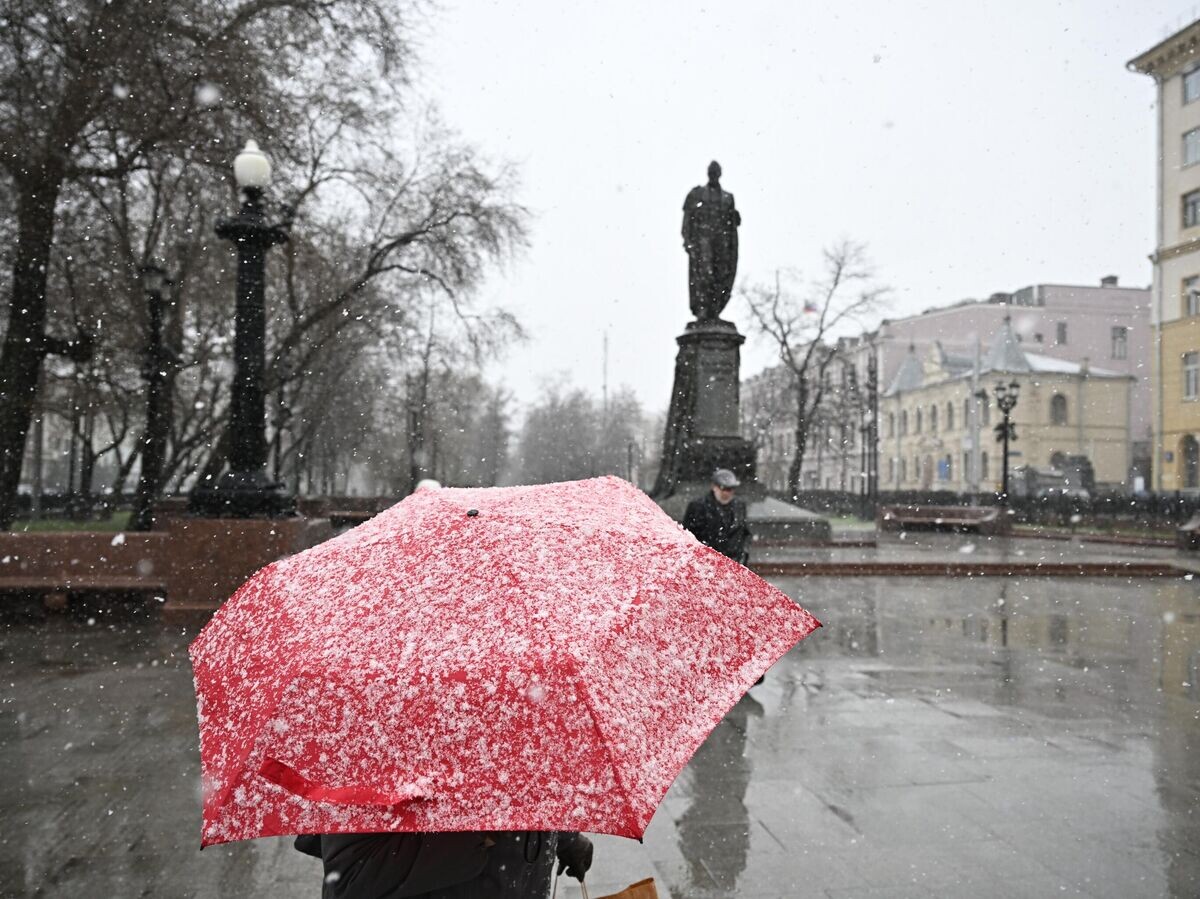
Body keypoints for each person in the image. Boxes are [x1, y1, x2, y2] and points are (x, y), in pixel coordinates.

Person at [294, 829, 593, 898]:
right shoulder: (376, 724)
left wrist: (564, 838)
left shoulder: (520, 698)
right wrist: (479, 835)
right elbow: (348, 879)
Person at [681, 160, 741, 321]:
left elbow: (732, 224)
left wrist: (735, 218)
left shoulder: (728, 198)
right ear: (708, 173)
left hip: (722, 244)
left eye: (716, 172)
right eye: (711, 172)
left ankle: (714, 310)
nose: (713, 174)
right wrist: (687, 239)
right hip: (703, 242)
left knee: (720, 275)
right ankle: (703, 309)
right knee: (703, 276)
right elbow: (687, 218)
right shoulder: (697, 194)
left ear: (719, 174)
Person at [682, 469, 751, 564]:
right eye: (723, 488)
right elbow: (689, 534)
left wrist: (743, 554)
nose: (727, 493)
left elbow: (743, 532)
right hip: (706, 562)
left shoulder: (740, 506)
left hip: (733, 563)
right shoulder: (697, 506)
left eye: (730, 489)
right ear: (714, 487)